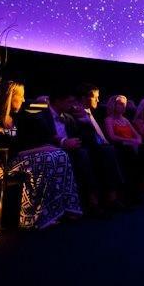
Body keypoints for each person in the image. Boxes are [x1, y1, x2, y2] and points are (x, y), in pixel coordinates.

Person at [0, 81, 82, 229]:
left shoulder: (17, 118)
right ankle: (35, 215)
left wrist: (45, 148)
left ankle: (63, 207)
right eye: (21, 96)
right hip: (4, 162)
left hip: (20, 157)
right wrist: (44, 149)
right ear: (10, 97)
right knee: (50, 156)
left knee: (59, 154)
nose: (24, 100)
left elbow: (26, 143)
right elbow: (11, 150)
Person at [16, 87, 107, 216]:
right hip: (50, 151)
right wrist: (63, 142)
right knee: (81, 155)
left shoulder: (69, 117)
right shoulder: (41, 114)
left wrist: (85, 120)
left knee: (100, 151)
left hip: (70, 150)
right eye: (69, 102)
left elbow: (83, 137)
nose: (72, 105)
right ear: (58, 101)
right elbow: (41, 137)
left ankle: (105, 198)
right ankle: (91, 202)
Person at [103, 94, 144, 199]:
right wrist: (130, 140)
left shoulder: (125, 120)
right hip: (121, 146)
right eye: (120, 104)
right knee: (134, 152)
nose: (123, 106)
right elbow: (112, 137)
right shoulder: (108, 120)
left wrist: (137, 140)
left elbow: (137, 135)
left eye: (124, 104)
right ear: (113, 105)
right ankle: (136, 191)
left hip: (132, 145)